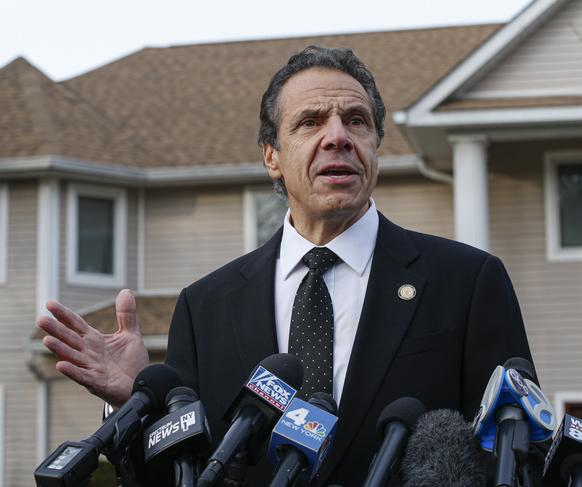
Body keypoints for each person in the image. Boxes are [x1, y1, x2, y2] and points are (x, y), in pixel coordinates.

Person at [38, 46, 534, 486]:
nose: (338, 136)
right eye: (311, 121)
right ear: (272, 155)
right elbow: (172, 472)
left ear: (375, 148)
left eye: (356, 121)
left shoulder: (467, 282)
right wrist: (135, 401)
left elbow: (517, 457)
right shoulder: (206, 305)